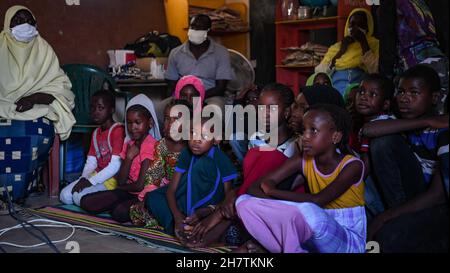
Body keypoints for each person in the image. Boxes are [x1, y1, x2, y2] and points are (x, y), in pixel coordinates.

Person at [235, 104, 366, 253]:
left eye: (313, 131)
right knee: (243, 203)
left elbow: (317, 200)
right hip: (310, 238)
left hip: (347, 242)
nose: (305, 137)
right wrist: (279, 206)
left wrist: (273, 192)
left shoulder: (353, 165)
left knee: (308, 211)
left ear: (335, 136)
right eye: (304, 131)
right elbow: (255, 187)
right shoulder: (302, 159)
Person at [0, 6, 75, 201]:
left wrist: (34, 98)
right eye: (17, 21)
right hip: (2, 106)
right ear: (8, 25)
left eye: (28, 21)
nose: (24, 25)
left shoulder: (44, 50)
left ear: (35, 25)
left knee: (35, 133)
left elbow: (60, 87)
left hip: (34, 109)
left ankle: (20, 191)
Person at [144, 117, 237, 245]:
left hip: (209, 206)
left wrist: (210, 210)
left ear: (216, 139)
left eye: (204, 136)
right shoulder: (187, 153)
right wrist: (177, 218)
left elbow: (227, 197)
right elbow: (171, 190)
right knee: (152, 197)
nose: (196, 140)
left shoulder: (221, 159)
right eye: (193, 133)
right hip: (185, 199)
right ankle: (179, 226)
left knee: (203, 165)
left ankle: (187, 227)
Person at [80, 95, 160, 223]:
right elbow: (121, 180)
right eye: (129, 122)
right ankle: (118, 204)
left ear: (150, 123)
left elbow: (140, 185)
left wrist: (119, 189)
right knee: (86, 201)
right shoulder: (129, 144)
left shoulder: (151, 145)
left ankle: (138, 209)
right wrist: (128, 158)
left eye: (137, 123)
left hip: (143, 195)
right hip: (128, 190)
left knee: (118, 212)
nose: (133, 127)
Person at [159, 14, 233, 120]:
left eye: (200, 28)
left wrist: (196, 98)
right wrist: (174, 100)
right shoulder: (176, 53)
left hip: (210, 96)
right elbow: (171, 84)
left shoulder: (221, 53)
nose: (195, 30)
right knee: (158, 110)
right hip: (182, 96)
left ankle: (208, 136)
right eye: (193, 27)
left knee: (215, 111)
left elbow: (221, 88)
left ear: (208, 31)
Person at [129, 99, 189, 227]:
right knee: (143, 205)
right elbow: (153, 176)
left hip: (186, 192)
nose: (170, 124)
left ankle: (174, 223)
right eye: (167, 119)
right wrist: (145, 198)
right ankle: (175, 224)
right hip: (165, 192)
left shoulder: (192, 145)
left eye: (176, 119)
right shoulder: (161, 145)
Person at [60, 90, 125, 206]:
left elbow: (116, 166)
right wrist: (84, 179)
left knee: (78, 197)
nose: (95, 112)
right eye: (93, 108)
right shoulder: (96, 133)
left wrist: (90, 182)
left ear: (111, 110)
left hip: (111, 180)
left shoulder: (117, 131)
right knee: (64, 196)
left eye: (101, 108)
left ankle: (108, 198)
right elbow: (91, 162)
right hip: (96, 176)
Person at [315, 8, 379, 95]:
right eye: (352, 24)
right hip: (335, 94)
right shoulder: (336, 47)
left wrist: (363, 42)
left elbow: (376, 71)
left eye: (360, 24)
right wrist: (341, 52)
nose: (355, 28)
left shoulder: (374, 44)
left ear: (368, 27)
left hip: (359, 94)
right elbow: (320, 73)